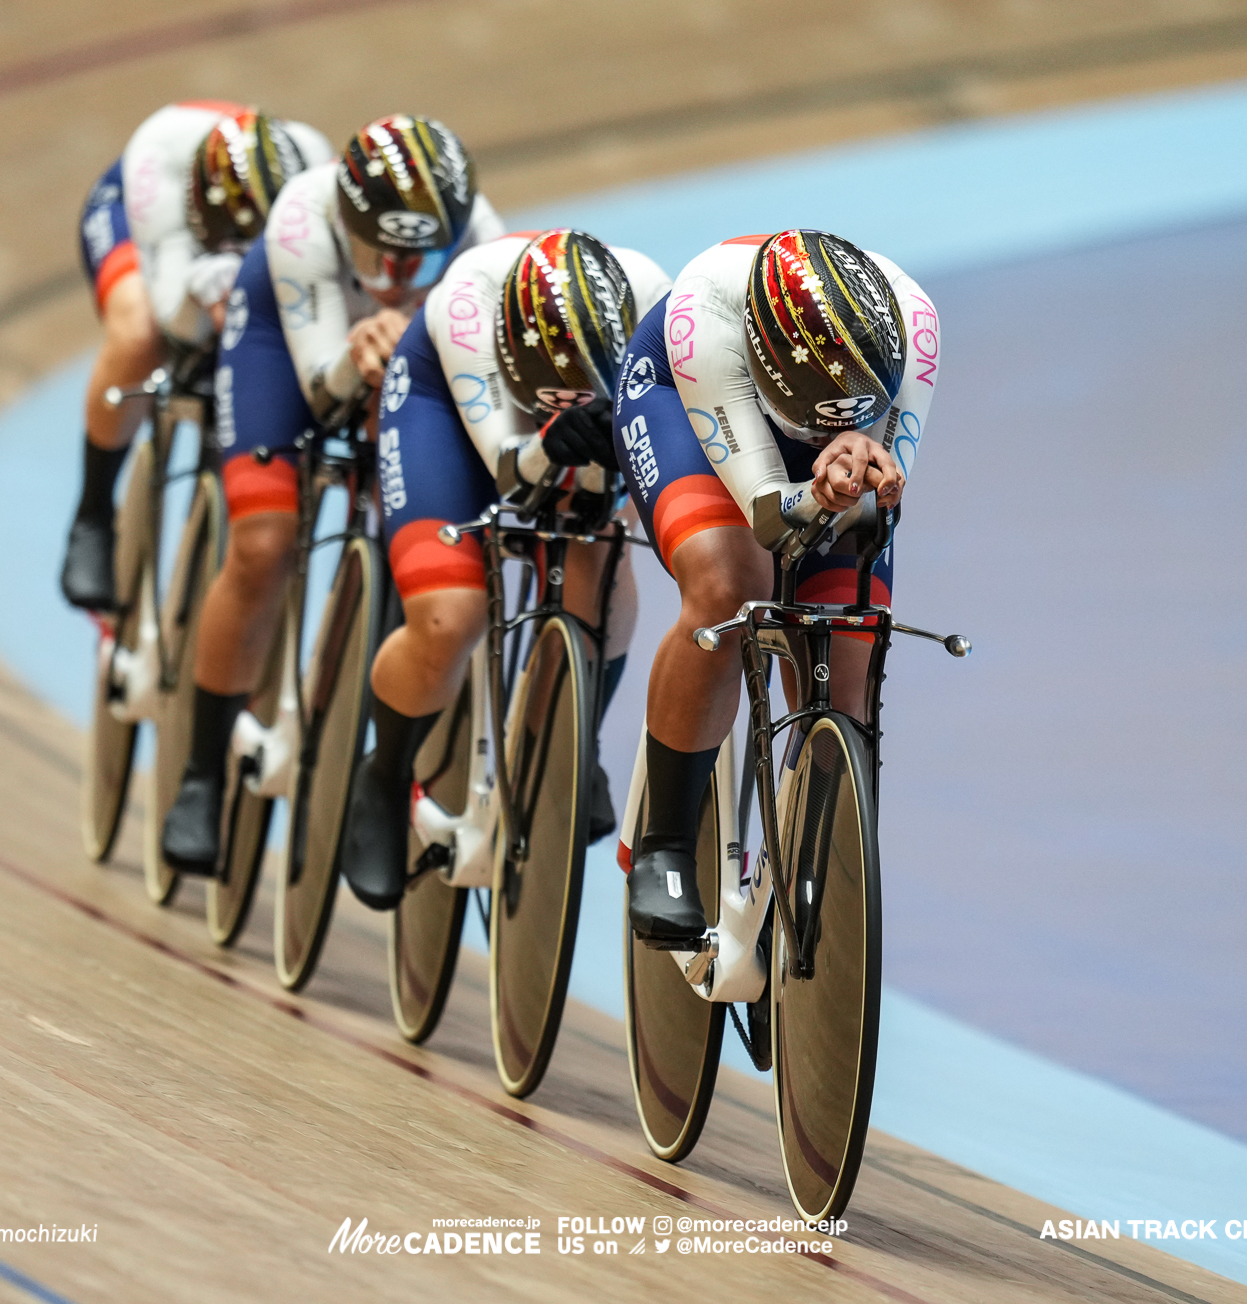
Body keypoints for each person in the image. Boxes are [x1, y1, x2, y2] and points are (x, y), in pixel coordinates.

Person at [160, 115, 505, 875]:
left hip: (400, 352)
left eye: (421, 254)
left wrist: (402, 338)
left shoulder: (482, 235)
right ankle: (201, 770)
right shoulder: (302, 219)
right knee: (262, 546)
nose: (393, 269)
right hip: (287, 345)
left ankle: (386, 737)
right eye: (377, 249)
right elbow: (322, 386)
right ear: (345, 222)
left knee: (432, 522)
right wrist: (363, 350)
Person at [611, 229, 939, 942]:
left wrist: (861, 476)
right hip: (689, 400)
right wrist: (817, 492)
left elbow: (881, 499)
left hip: (829, 408)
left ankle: (805, 868)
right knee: (729, 585)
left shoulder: (913, 325)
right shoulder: (705, 318)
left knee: (849, 662)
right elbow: (766, 515)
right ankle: (663, 844)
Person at [334, 229, 671, 910]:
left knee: (601, 549)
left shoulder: (654, 306)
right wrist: (550, 441)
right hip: (450, 414)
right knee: (450, 615)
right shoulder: (465, 306)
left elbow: (656, 456)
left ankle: (574, 739)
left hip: (584, 413)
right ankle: (386, 768)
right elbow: (509, 467)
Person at [61, 102, 330, 610]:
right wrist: (209, 291)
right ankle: (92, 513)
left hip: (252, 228)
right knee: (140, 332)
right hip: (135, 214)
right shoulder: (160, 162)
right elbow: (177, 317)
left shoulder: (315, 173)